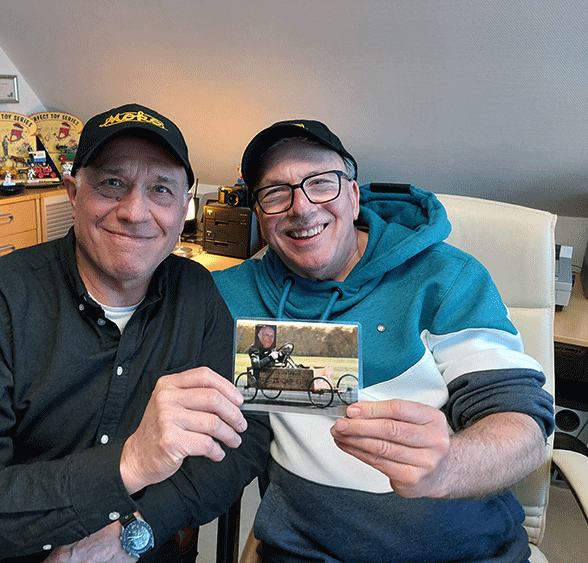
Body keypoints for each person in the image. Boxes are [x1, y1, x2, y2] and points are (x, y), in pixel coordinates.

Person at [0, 104, 270, 563]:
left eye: (161, 189)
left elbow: (243, 434)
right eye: (112, 184)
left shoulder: (195, 293)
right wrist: (129, 463)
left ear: (184, 209)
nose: (135, 212)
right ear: (73, 193)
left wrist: (135, 528)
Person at [212, 120, 555, 563]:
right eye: (276, 193)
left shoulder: (445, 278)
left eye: (321, 183)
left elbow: (521, 425)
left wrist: (450, 466)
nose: (301, 207)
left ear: (354, 196)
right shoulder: (232, 296)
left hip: (464, 552)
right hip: (305, 552)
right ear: (260, 215)